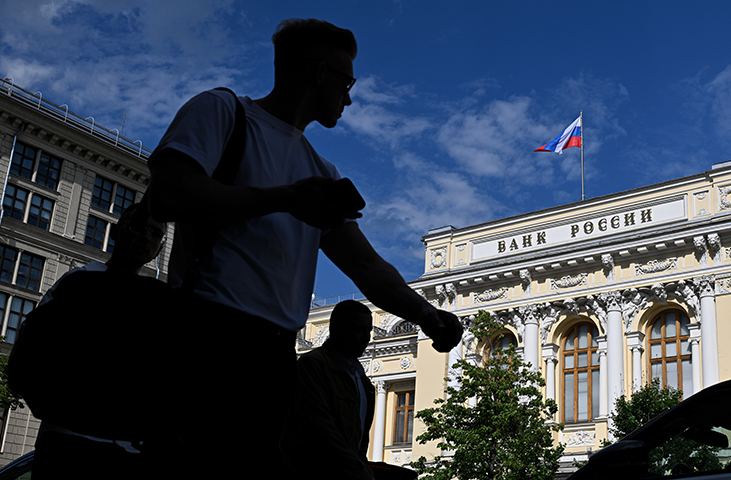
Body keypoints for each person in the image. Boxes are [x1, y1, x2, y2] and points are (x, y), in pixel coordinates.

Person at [146, 18, 463, 477]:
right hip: (207, 337)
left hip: (274, 356)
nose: (349, 98)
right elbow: (168, 192)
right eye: (346, 83)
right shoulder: (223, 113)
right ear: (318, 73)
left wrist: (427, 315)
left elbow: (366, 265)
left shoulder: (320, 171)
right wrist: (285, 199)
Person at [30, 204, 170, 480]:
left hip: (126, 452)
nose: (145, 236)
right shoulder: (77, 283)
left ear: (159, 249)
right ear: (116, 231)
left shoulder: (157, 302)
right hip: (67, 444)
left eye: (155, 233)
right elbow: (32, 352)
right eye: (138, 226)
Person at [281, 300, 375, 479]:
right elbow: (320, 430)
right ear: (338, 329)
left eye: (368, 330)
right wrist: (360, 471)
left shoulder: (363, 380)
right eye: (358, 329)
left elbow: (359, 440)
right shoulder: (313, 365)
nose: (366, 338)